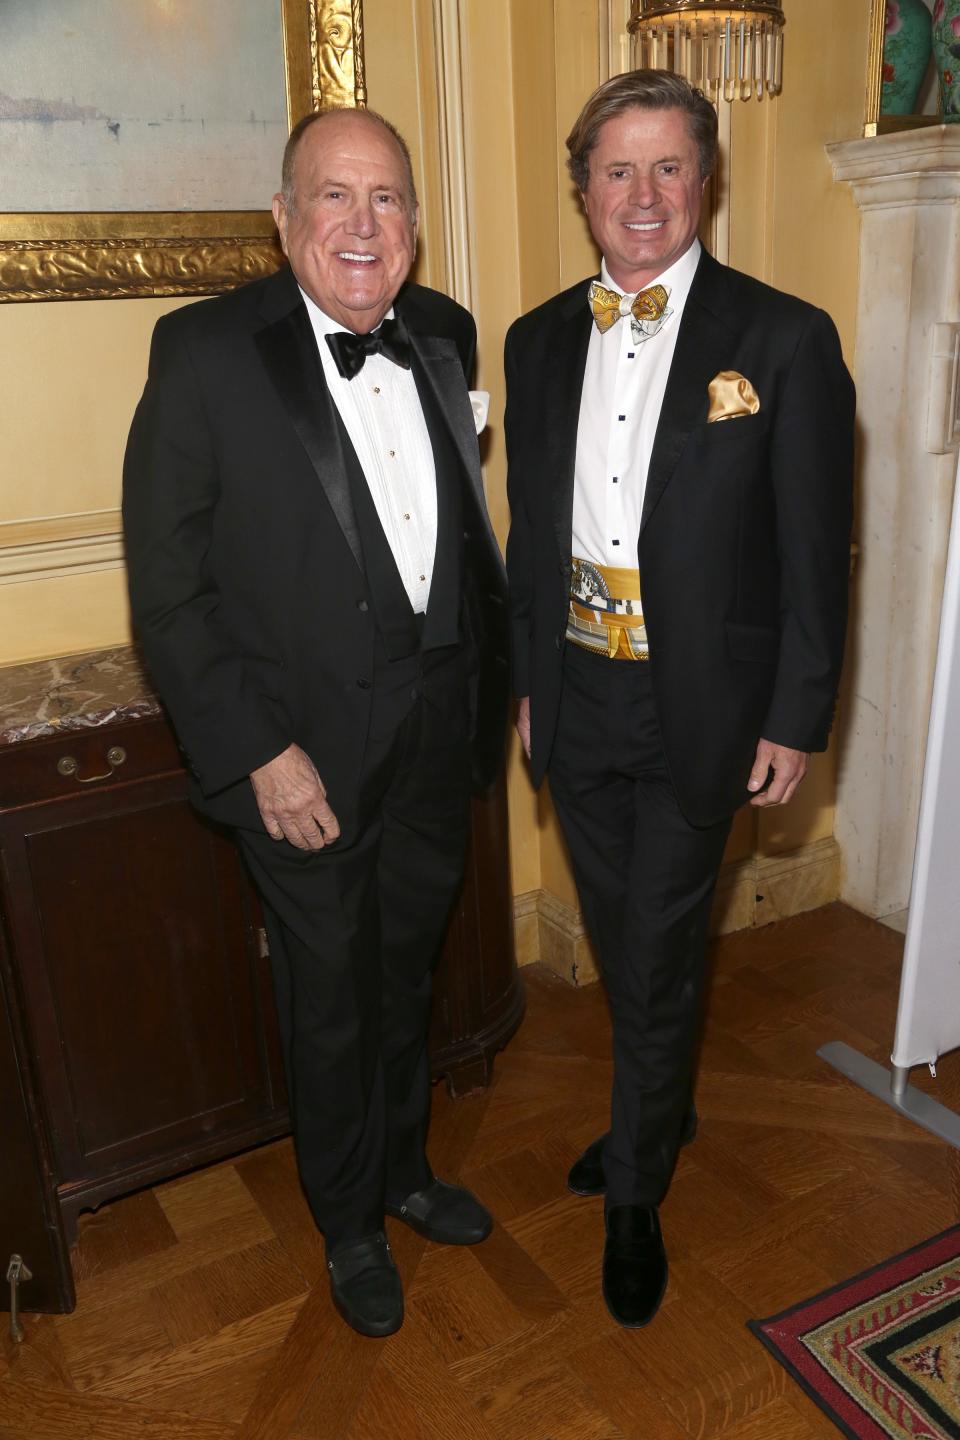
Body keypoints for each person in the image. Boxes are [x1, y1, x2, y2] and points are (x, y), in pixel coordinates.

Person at [123, 107, 509, 1339]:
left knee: (406, 972)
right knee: (331, 994)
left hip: (437, 729)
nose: (362, 224)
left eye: (387, 197)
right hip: (301, 755)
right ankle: (346, 1222)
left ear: (414, 223)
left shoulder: (444, 332)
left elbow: (467, 543)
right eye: (332, 197)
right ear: (283, 219)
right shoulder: (201, 351)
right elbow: (170, 591)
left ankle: (403, 1171)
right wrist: (255, 755)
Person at [504, 70, 854, 1329]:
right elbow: (527, 534)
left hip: (707, 704)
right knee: (630, 939)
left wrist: (796, 713)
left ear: (706, 182)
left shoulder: (784, 337)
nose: (642, 196)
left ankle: (636, 1192)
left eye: (668, 169)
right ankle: (665, 1102)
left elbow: (817, 549)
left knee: (654, 944)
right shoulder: (537, 338)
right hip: (576, 695)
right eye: (616, 170)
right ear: (583, 189)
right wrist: (532, 684)